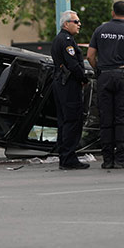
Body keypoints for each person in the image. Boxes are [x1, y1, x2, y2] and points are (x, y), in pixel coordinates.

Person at [87, 1, 124, 169]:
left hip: (104, 77)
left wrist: (99, 70)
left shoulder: (100, 30)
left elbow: (90, 56)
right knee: (122, 118)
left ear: (113, 12)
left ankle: (107, 159)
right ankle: (121, 158)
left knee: (106, 118)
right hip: (123, 77)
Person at [50, 10, 90, 170]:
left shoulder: (61, 39)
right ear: (66, 24)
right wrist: (83, 78)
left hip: (61, 84)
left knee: (64, 121)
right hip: (68, 84)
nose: (79, 24)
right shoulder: (66, 40)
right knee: (72, 121)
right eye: (76, 22)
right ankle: (68, 158)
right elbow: (73, 64)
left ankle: (65, 156)